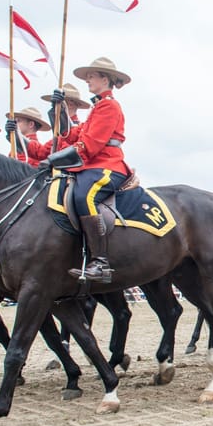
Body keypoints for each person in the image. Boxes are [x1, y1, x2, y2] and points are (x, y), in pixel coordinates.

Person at [39, 57, 131, 283]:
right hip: (91, 165)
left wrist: (53, 160)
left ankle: (100, 262)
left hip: (108, 165)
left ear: (105, 78)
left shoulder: (109, 106)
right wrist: (58, 113)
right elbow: (71, 136)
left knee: (84, 196)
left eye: (91, 76)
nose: (87, 80)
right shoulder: (98, 107)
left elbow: (88, 145)